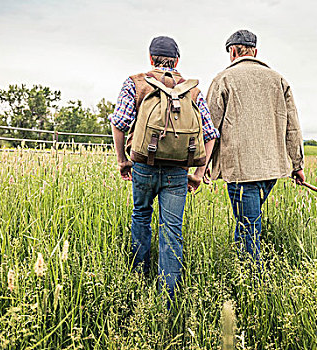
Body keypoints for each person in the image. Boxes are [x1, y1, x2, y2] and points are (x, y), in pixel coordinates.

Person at [109, 36, 219, 300]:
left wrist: (123, 161)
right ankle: (167, 297)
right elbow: (211, 133)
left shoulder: (136, 83)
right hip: (178, 172)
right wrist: (198, 174)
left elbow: (119, 122)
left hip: (143, 166)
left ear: (150, 58)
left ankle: (138, 280)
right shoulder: (191, 90)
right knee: (172, 229)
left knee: (141, 216)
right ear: (177, 61)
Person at [206, 29, 305, 264]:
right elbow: (293, 127)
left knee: (248, 227)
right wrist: (297, 165)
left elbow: (209, 127)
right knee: (248, 222)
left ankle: (252, 281)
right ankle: (244, 268)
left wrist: (203, 165)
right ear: (255, 51)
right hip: (272, 170)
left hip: (242, 171)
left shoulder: (224, 79)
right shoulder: (278, 80)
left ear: (232, 52)